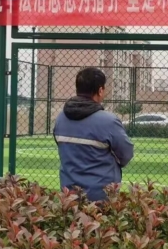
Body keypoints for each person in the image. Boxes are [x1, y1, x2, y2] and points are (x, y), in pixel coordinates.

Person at [54, 67, 134, 201]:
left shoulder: (61, 119)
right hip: (101, 195)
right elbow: (126, 154)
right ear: (100, 90)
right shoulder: (109, 121)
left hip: (69, 195)